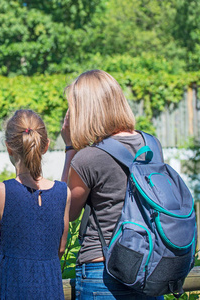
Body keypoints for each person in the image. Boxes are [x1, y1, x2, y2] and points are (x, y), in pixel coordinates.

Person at [60, 69, 163, 300]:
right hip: (149, 266)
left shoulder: (87, 157)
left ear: (85, 110)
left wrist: (70, 148)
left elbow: (66, 210)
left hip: (103, 271)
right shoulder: (152, 146)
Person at [0, 109, 70, 300]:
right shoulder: (64, 192)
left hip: (11, 286)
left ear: (8, 147)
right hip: (50, 287)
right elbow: (60, 249)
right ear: (45, 146)